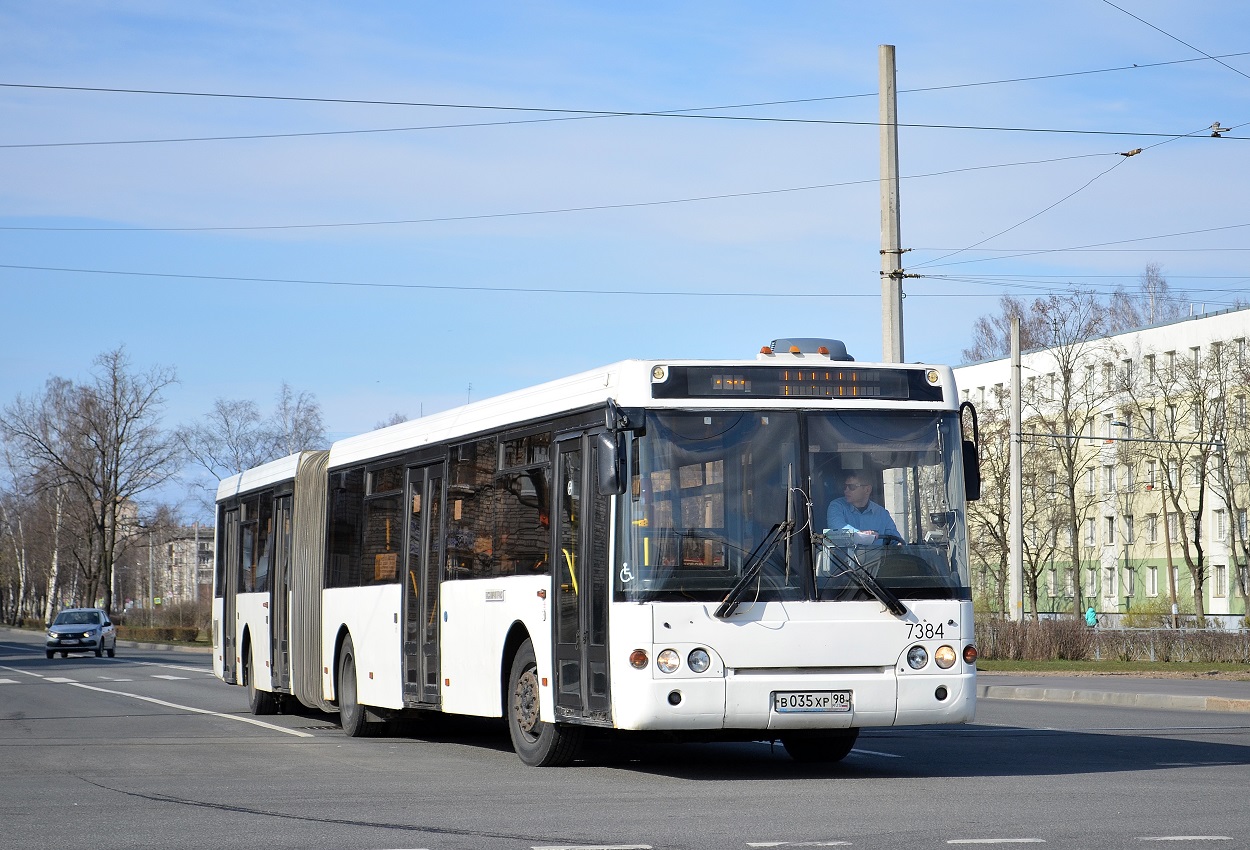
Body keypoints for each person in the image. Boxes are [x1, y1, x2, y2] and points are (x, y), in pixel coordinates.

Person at [826, 471, 901, 544]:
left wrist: (900, 546)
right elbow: (837, 528)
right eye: (845, 487)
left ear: (867, 490)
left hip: (877, 557)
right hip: (842, 557)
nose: (846, 490)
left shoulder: (882, 514)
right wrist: (861, 535)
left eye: (852, 487)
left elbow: (896, 541)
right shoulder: (836, 506)